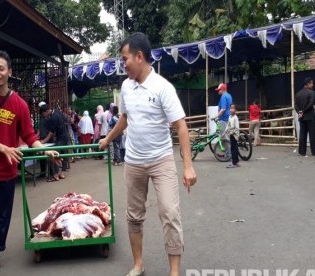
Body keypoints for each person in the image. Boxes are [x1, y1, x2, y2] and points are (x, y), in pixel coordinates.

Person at [99, 32, 197, 276]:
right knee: (134, 216)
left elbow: (181, 125)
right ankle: (138, 264)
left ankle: (174, 271)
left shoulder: (163, 87)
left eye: (125, 59)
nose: (123, 65)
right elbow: (125, 118)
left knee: (170, 213)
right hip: (133, 162)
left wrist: (188, 166)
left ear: (139, 56)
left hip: (161, 160)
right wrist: (107, 139)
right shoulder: (126, 86)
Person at [0, 50, 59, 273]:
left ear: (9, 71)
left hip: (6, 171)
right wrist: (4, 149)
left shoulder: (19, 104)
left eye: (1, 68)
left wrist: (43, 151)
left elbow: (29, 135)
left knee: (2, 215)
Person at [41, 104, 69, 181]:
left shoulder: (53, 117)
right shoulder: (58, 111)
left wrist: (44, 141)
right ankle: (62, 173)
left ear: (46, 111)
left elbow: (51, 132)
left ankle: (55, 175)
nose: (44, 116)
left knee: (54, 154)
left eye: (44, 114)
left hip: (61, 138)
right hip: (65, 136)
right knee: (64, 153)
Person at [294, 77, 315, 156]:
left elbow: (295, 105)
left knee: (302, 135)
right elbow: (311, 104)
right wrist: (304, 111)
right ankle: (314, 151)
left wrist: (299, 112)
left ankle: (302, 151)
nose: (312, 85)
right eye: (311, 83)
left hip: (302, 117)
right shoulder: (311, 92)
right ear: (308, 84)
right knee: (312, 135)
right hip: (310, 116)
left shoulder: (298, 93)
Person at [212, 82, 232, 156]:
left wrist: (216, 116)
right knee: (227, 136)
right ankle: (229, 153)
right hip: (228, 118)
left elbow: (223, 109)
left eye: (219, 90)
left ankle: (228, 154)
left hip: (223, 119)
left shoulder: (223, 97)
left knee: (223, 137)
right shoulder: (229, 96)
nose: (218, 91)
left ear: (222, 89)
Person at [226, 104, 240, 168]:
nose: (231, 109)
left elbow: (237, 128)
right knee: (235, 148)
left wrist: (232, 132)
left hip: (234, 135)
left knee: (233, 149)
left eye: (233, 108)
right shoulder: (230, 117)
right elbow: (228, 125)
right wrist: (225, 132)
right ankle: (236, 162)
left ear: (235, 110)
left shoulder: (235, 118)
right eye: (231, 108)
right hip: (231, 134)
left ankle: (234, 163)